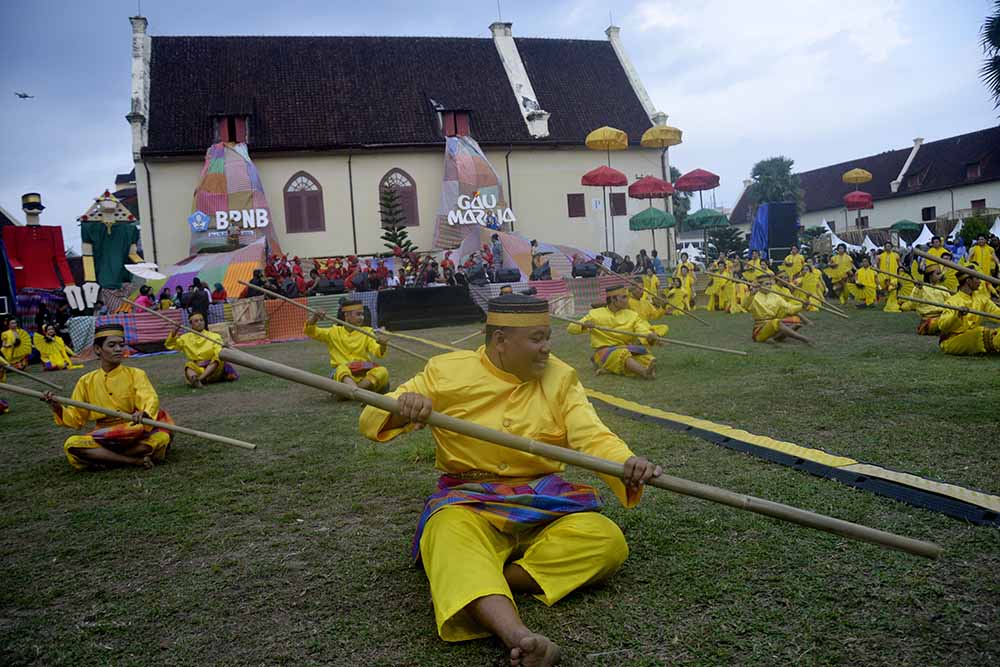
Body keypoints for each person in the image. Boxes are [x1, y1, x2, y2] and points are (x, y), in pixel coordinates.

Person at [358, 294, 662, 665]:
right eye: (537, 339)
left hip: (546, 501)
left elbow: (593, 437)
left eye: (548, 337)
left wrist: (626, 462)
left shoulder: (561, 378)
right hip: (470, 502)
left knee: (606, 541)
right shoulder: (445, 371)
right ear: (500, 341)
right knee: (445, 532)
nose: (547, 348)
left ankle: (481, 580)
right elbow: (371, 416)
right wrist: (405, 408)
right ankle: (518, 635)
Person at [42, 324, 173, 470]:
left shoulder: (136, 374)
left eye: (121, 345)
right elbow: (76, 418)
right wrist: (56, 406)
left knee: (161, 439)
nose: (118, 349)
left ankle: (104, 457)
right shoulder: (86, 381)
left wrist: (144, 412)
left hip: (133, 429)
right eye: (112, 345)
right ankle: (132, 461)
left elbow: (149, 397)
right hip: (105, 435)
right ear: (98, 349)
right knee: (72, 444)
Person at [567, 285, 658, 378]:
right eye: (624, 297)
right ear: (613, 299)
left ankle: (609, 369)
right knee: (622, 354)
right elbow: (571, 328)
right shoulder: (595, 314)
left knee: (647, 358)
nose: (627, 300)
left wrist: (649, 336)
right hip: (605, 351)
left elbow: (642, 329)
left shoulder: (632, 315)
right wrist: (584, 325)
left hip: (628, 349)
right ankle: (644, 373)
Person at [304, 300, 390, 395]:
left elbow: (377, 351)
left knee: (382, 371)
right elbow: (311, 332)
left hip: (363, 373)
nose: (362, 318)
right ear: (347, 315)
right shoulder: (333, 332)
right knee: (341, 369)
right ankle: (360, 393)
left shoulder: (367, 332)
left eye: (362, 314)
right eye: (358, 314)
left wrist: (383, 345)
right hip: (344, 376)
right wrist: (315, 317)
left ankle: (354, 392)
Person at [937, 265, 1000, 355]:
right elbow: (942, 326)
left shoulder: (981, 299)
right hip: (952, 340)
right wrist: (957, 315)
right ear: (968, 281)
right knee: (978, 333)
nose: (980, 282)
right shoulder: (952, 302)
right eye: (977, 279)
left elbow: (996, 313)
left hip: (974, 335)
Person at [165, 313, 238, 388]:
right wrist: (174, 333)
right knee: (189, 365)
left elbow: (218, 351)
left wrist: (206, 362)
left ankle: (200, 380)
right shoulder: (184, 338)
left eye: (201, 320)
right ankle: (194, 379)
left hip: (213, 369)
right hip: (198, 369)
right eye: (196, 321)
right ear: (191, 324)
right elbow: (170, 345)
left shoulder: (214, 336)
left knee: (218, 357)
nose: (200, 322)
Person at [742, 273, 812, 345]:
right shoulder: (754, 296)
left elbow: (789, 308)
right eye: (766, 284)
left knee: (795, 319)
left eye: (770, 284)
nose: (769, 286)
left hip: (774, 322)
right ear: (760, 286)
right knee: (776, 322)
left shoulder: (775, 296)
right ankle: (803, 339)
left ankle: (774, 338)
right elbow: (745, 306)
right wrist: (751, 294)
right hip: (760, 329)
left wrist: (802, 306)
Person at [900, 267, 948, 335]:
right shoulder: (921, 288)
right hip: (928, 320)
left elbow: (950, 304)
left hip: (942, 317)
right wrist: (919, 289)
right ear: (930, 276)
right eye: (938, 274)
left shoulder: (944, 289)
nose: (941, 276)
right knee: (939, 323)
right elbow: (913, 304)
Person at [877, 243, 902, 312]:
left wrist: (901, 269)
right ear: (884, 247)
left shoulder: (896, 255)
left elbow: (899, 264)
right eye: (886, 246)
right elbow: (878, 265)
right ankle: (887, 302)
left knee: (892, 289)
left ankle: (892, 303)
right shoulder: (880, 256)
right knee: (884, 288)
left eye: (889, 246)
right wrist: (880, 272)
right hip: (884, 275)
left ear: (891, 247)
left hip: (893, 274)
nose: (888, 247)